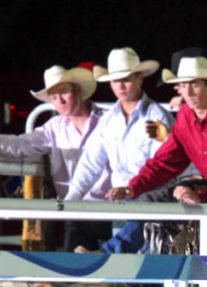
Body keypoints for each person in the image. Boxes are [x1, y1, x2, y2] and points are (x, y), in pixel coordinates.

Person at [0, 65, 109, 250]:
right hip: (76, 212)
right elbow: (21, 145)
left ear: (78, 90)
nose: (60, 100)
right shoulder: (54, 128)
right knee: (75, 270)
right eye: (54, 96)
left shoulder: (108, 121)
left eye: (64, 92)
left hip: (110, 210)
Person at [107, 56, 207, 206]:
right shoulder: (185, 116)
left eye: (194, 85)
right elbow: (165, 162)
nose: (188, 93)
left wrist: (203, 197)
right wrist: (133, 188)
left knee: (170, 203)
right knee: (153, 202)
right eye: (183, 85)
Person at [65, 47, 172, 254]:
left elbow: (163, 164)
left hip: (151, 205)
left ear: (139, 78)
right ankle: (105, 256)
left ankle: (103, 256)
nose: (120, 86)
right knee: (126, 273)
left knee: (141, 272)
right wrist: (70, 201)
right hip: (122, 206)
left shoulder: (155, 118)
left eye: (126, 79)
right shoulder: (109, 121)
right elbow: (90, 163)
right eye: (115, 80)